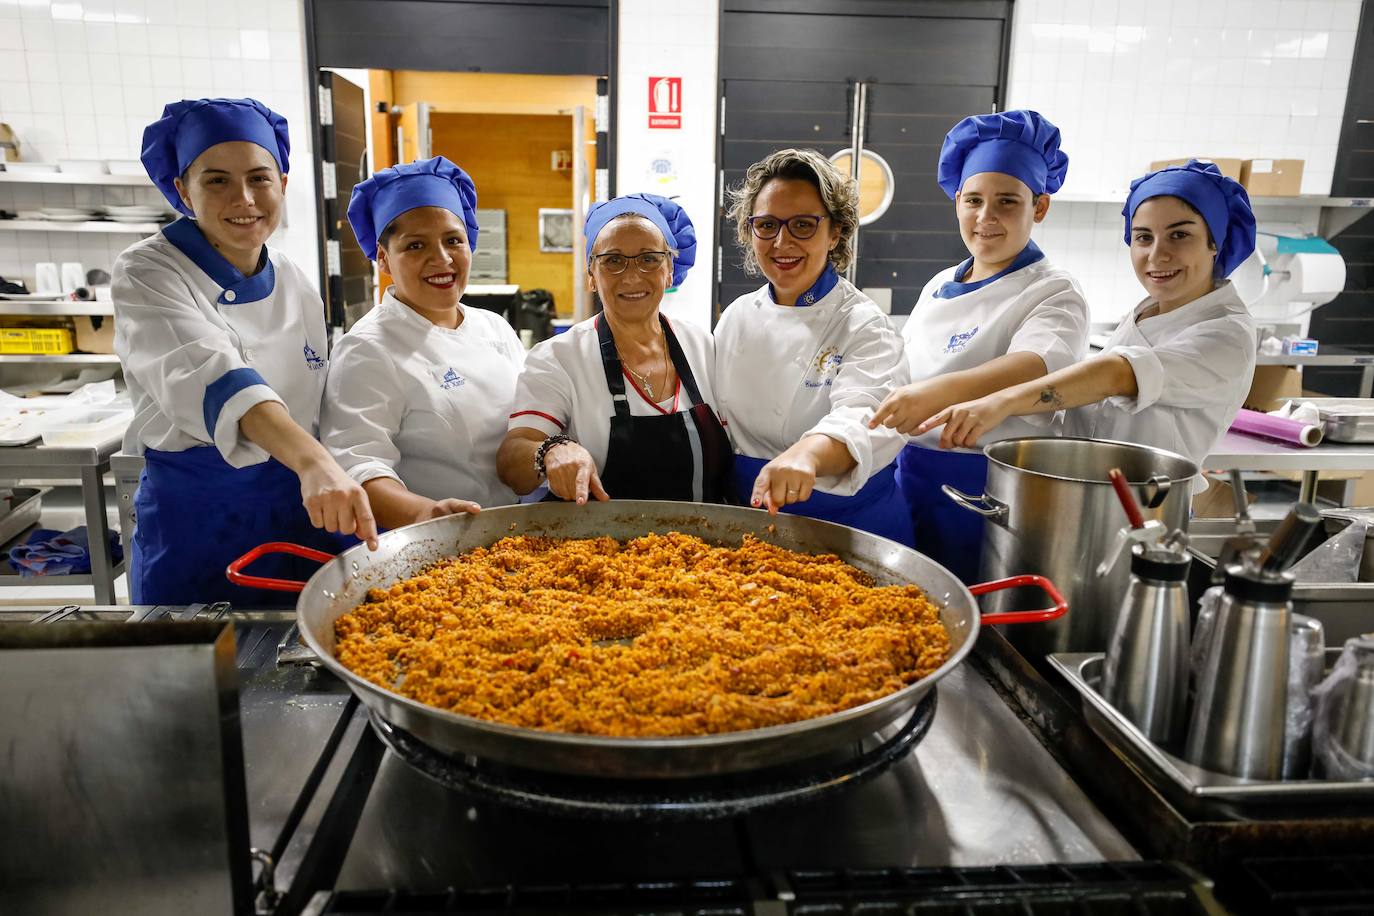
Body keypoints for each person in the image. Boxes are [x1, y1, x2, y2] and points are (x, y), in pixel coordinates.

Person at [114, 97, 376, 606]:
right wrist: (316, 464)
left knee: (307, 666)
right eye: (217, 180)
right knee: (193, 674)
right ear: (181, 190)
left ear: (282, 183)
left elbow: (315, 396)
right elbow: (218, 377)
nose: (245, 197)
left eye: (260, 178)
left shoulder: (294, 279)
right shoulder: (148, 271)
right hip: (199, 515)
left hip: (298, 505)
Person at [916, 160, 1258, 496]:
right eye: (1143, 237)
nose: (1157, 255)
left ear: (1216, 241)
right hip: (1084, 497)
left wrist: (1001, 402)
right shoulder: (1147, 314)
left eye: (1180, 235)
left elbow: (1116, 373)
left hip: (1149, 508)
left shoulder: (1226, 332)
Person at [869, 110, 1089, 580]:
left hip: (993, 490)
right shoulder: (939, 284)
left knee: (983, 615)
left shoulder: (1052, 290)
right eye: (973, 200)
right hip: (910, 476)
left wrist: (938, 393)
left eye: (1007, 202)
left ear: (1040, 207)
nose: (986, 218)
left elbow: (1036, 366)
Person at [715, 148, 911, 542]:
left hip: (849, 527)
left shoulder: (865, 325)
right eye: (766, 225)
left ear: (835, 231)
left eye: (803, 225)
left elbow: (866, 415)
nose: (782, 242)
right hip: (749, 519)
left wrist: (805, 455)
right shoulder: (736, 316)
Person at [320, 157, 523, 530]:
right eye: (415, 245)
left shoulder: (495, 328)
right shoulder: (368, 348)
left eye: (453, 241)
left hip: (519, 532)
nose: (442, 259)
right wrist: (425, 513)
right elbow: (357, 464)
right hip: (437, 545)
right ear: (383, 258)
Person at [496, 194, 731, 503]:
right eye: (613, 260)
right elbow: (512, 460)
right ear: (592, 275)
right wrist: (550, 450)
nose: (632, 276)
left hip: (705, 545)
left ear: (670, 270)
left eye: (649, 258)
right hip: (598, 547)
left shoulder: (702, 346)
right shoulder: (559, 358)